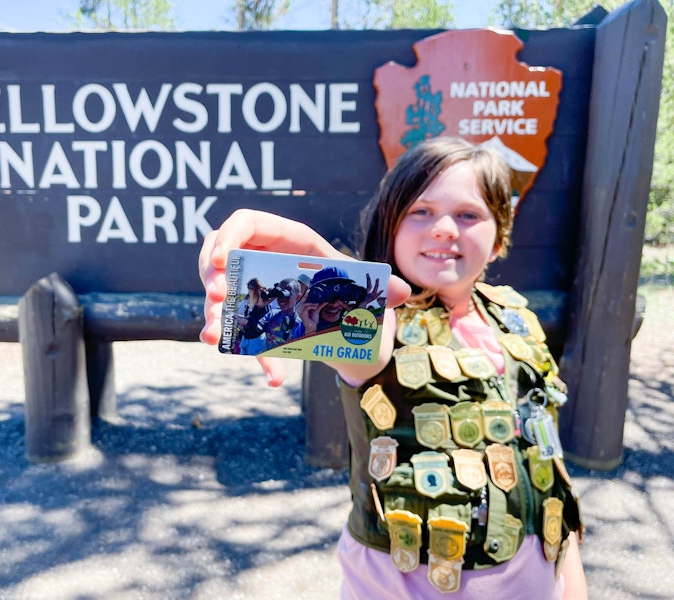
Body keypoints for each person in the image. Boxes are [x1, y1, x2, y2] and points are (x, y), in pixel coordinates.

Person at [198, 137, 587, 599]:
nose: (444, 228)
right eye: (420, 211)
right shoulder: (382, 321)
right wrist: (303, 282)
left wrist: (571, 583)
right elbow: (361, 336)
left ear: (500, 234)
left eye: (468, 214)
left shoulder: (517, 320)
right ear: (390, 225)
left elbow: (546, 467)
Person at [255, 278, 306, 349]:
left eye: (287, 294)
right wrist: (259, 307)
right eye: (280, 294)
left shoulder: (302, 324)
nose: (282, 298)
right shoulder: (271, 315)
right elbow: (252, 333)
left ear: (297, 297)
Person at [236, 278, 275, 355]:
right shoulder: (249, 304)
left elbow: (262, 324)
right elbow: (250, 317)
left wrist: (246, 322)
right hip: (246, 337)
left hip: (256, 340)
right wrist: (242, 319)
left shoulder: (265, 305)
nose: (249, 293)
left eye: (250, 290)